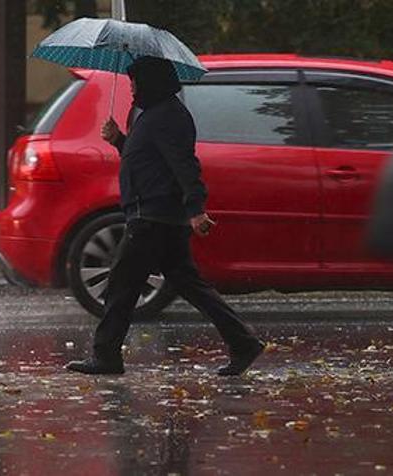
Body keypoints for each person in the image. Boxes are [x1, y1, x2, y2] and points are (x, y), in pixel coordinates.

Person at [66, 56, 265, 376]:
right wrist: (119, 141)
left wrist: (196, 208)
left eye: (136, 82)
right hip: (157, 214)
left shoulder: (167, 117)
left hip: (153, 216)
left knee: (121, 284)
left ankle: (106, 356)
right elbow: (146, 159)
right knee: (188, 284)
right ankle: (243, 343)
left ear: (151, 82)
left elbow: (185, 165)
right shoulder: (156, 114)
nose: (132, 89)